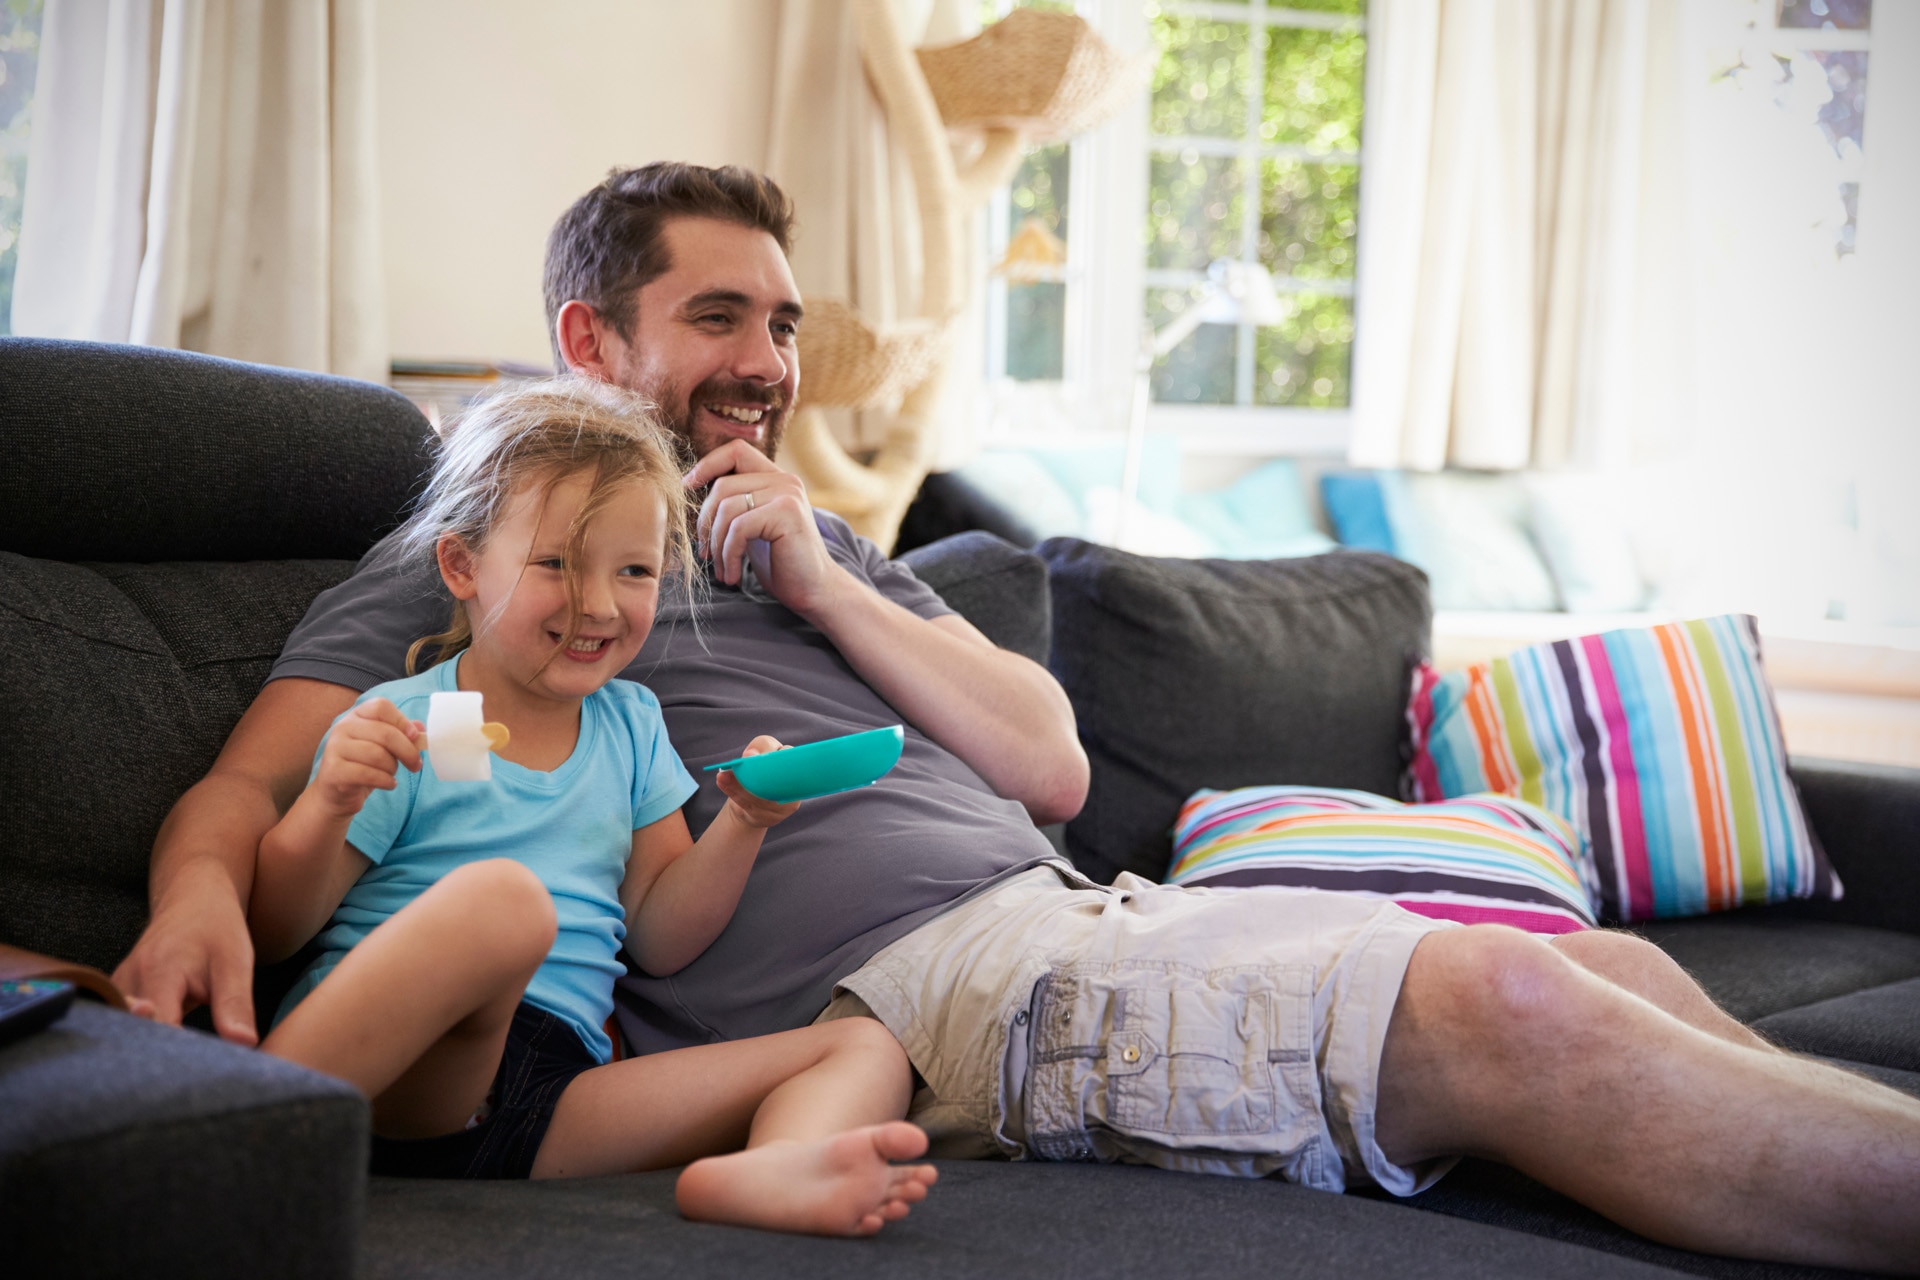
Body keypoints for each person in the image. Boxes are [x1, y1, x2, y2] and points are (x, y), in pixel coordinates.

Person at [115, 163, 1920, 1273]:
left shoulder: (822, 541)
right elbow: (250, 785)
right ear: (591, 342)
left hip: (1079, 914)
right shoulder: (495, 559)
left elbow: (1052, 764)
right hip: (939, 991)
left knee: (1603, 967)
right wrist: (207, 898)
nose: (767, 359)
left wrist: (824, 575)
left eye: (787, 322)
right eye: (718, 315)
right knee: (1512, 1001)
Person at [249, 378, 937, 1234]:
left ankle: (770, 1172)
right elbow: (277, 929)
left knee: (870, 1038)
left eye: (636, 571)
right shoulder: (407, 721)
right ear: (462, 565)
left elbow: (658, 932)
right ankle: (236, 1138)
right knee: (503, 905)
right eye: (556, 564)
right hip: (402, 1071)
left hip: (550, 1097)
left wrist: (745, 821)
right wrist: (324, 802)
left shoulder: (632, 725)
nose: (601, 604)